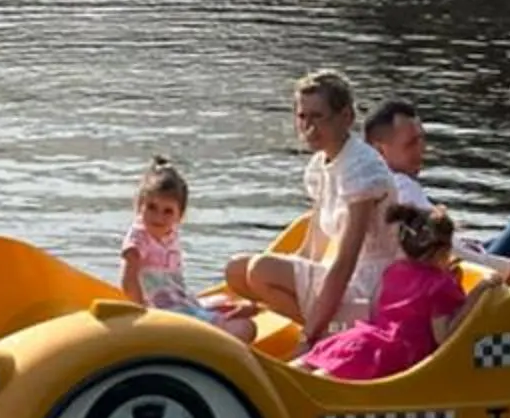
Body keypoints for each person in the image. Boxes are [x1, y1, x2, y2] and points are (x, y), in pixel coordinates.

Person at [220, 71, 396, 348]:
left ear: (346, 117)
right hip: (337, 279)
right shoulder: (321, 165)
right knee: (237, 270)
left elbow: (345, 262)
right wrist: (260, 302)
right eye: (303, 118)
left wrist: (308, 334)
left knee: (260, 269)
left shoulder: (362, 170)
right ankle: (322, 330)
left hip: (370, 287)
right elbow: (312, 249)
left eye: (318, 117)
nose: (309, 128)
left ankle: (323, 337)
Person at [364, 98, 510, 291]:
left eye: (422, 139)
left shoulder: (365, 185)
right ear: (380, 150)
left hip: (458, 259)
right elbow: (447, 251)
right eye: (411, 144)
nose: (422, 149)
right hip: (471, 274)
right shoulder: (401, 189)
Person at [300, 202, 470, 381]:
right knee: (324, 378)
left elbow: (376, 309)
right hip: (398, 353)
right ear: (443, 251)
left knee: (314, 364)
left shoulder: (394, 270)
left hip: (367, 336)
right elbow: (443, 337)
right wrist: (476, 295)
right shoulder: (441, 285)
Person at [119, 158, 201, 313]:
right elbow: (128, 282)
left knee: (227, 305)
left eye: (168, 211)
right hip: (157, 310)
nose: (158, 217)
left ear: (180, 216)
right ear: (139, 206)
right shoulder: (138, 240)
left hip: (176, 300)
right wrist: (141, 311)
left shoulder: (170, 233)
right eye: (152, 207)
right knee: (243, 327)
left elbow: (173, 281)